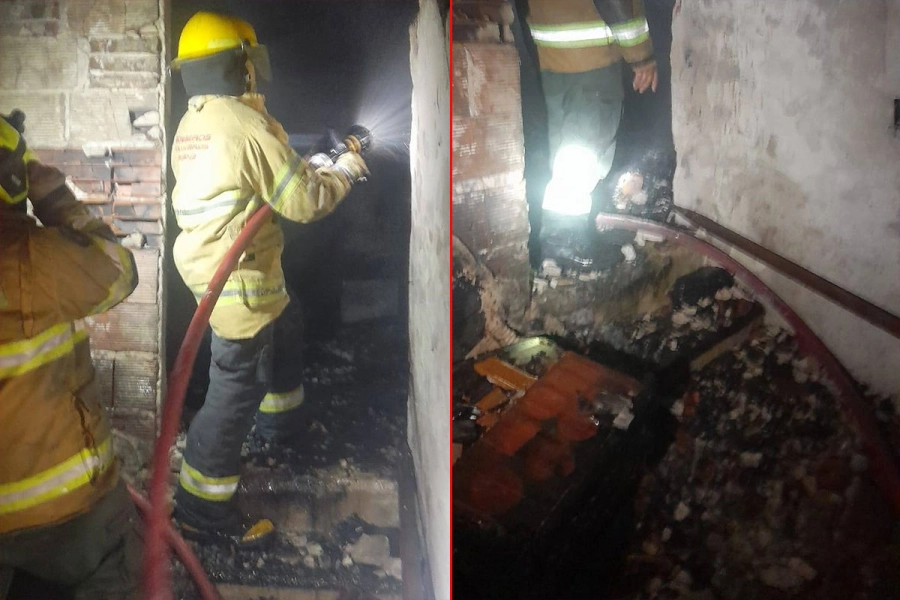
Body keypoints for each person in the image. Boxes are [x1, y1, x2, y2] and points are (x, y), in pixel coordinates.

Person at [168, 11, 369, 546]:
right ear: (242, 66)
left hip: (229, 267)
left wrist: (312, 163)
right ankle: (199, 510)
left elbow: (267, 175)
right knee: (233, 388)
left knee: (288, 320)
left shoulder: (198, 120)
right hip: (237, 279)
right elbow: (304, 200)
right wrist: (345, 170)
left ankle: (283, 425)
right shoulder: (243, 125)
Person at [0, 113, 142, 599]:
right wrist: (54, 196)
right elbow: (119, 270)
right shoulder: (35, 259)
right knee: (114, 567)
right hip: (63, 516)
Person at [524, 0, 658, 216]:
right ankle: (565, 243)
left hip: (551, 57)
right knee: (579, 164)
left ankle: (562, 235)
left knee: (566, 160)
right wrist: (641, 55)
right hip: (591, 59)